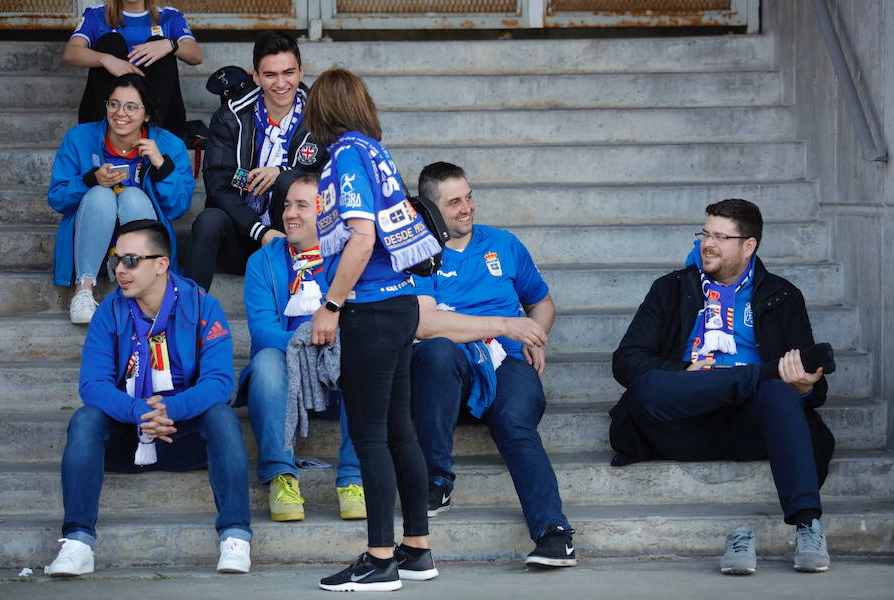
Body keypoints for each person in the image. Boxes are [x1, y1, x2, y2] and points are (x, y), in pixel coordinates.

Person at [609, 198, 837, 575]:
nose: (707, 243)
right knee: (649, 388)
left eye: (720, 237)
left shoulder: (783, 296)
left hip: (754, 424)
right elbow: (626, 361)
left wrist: (803, 386)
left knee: (780, 392)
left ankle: (807, 524)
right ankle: (760, 374)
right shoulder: (670, 289)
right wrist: (685, 369)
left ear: (749, 246)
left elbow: (816, 391)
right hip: (683, 422)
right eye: (705, 233)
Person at [46, 219, 252, 577]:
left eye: (131, 260)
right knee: (85, 419)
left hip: (182, 436)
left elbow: (219, 382)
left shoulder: (203, 306)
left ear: (161, 264)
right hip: (128, 436)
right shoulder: (110, 310)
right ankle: (78, 543)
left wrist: (171, 408)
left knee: (221, 415)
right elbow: (92, 384)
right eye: (116, 261)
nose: (120, 271)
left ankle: (235, 537)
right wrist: (139, 411)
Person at [304, 68, 441, 592]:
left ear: (324, 111)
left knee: (369, 435)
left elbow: (361, 238)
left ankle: (379, 557)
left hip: (372, 309)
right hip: (400, 303)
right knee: (399, 430)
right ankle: (416, 550)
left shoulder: (344, 154)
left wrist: (330, 305)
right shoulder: (375, 150)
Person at [409, 162, 577, 568]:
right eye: (454, 202)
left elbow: (542, 301)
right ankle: (436, 479)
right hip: (448, 376)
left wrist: (535, 332)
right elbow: (426, 324)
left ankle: (554, 533)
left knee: (516, 423)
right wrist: (507, 323)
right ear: (431, 208)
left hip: (507, 362)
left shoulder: (502, 244)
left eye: (468, 197)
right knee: (436, 350)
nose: (466, 208)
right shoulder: (417, 255)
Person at [238, 171, 365, 522]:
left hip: (339, 362)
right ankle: (282, 476)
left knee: (365, 357)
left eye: (302, 206)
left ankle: (354, 479)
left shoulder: (347, 256)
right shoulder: (262, 261)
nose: (289, 213)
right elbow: (263, 331)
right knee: (264, 362)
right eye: (287, 205)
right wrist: (310, 341)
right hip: (284, 362)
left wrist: (330, 345)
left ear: (327, 213)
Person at [186, 30, 327, 292]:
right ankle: (188, 312)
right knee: (208, 220)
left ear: (300, 72)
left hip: (295, 236)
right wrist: (260, 232)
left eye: (288, 73)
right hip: (243, 235)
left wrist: (282, 172)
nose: (281, 83)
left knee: (289, 180)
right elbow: (218, 184)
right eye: (270, 75)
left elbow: (330, 177)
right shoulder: (232, 115)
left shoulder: (319, 114)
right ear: (256, 76)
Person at [49, 73, 194, 324]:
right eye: (113, 104)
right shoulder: (80, 138)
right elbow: (58, 198)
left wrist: (160, 164)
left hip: (139, 238)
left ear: (146, 114)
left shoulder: (170, 145)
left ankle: (145, 289)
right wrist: (90, 180)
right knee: (100, 195)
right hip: (91, 238)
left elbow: (178, 206)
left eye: (131, 107)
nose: (120, 113)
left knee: (133, 197)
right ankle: (83, 290)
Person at [63, 0, 202, 140]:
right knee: (110, 42)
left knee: (161, 43)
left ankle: (153, 132)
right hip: (109, 113)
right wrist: (106, 60)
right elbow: (71, 53)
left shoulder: (168, 16)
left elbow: (196, 56)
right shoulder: (97, 14)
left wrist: (169, 44)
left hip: (157, 114)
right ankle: (105, 134)